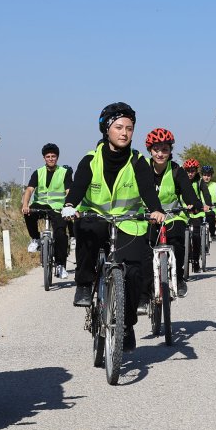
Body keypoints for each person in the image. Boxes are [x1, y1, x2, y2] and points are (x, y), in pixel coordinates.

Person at [61, 102, 165, 352]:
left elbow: (147, 190)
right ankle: (85, 285)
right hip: (95, 218)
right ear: (106, 130)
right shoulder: (91, 160)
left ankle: (126, 326)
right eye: (119, 127)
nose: (125, 133)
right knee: (86, 230)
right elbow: (79, 186)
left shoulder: (138, 160)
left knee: (133, 273)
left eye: (129, 128)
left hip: (129, 221)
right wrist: (69, 204)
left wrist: (156, 209)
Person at [144, 130, 203, 298]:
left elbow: (188, 192)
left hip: (171, 217)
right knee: (144, 249)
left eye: (165, 149)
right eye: (156, 149)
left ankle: (177, 278)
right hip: (147, 218)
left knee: (177, 237)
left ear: (170, 151)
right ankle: (145, 290)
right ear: (150, 150)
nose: (160, 154)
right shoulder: (143, 169)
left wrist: (194, 204)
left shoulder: (177, 170)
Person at [21, 143, 72, 279]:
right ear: (44, 158)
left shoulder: (64, 173)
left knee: (61, 233)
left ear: (57, 157)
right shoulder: (38, 172)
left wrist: (68, 206)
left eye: (53, 156)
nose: (51, 159)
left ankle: (60, 266)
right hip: (41, 205)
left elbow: (68, 191)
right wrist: (25, 204)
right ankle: (35, 239)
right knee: (28, 212)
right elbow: (29, 190)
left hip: (57, 207)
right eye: (48, 156)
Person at [200, 165, 216, 241]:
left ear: (211, 176)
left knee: (211, 220)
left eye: (208, 175)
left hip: (211, 209)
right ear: (202, 175)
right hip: (200, 209)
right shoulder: (198, 184)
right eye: (205, 175)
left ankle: (212, 234)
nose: (206, 177)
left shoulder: (215, 185)